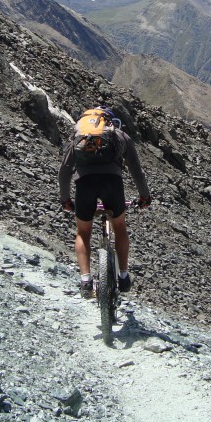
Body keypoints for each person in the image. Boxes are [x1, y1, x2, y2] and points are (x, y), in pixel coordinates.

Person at [58, 106, 152, 298]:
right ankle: (124, 276)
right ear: (109, 121)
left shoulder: (79, 137)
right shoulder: (118, 135)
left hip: (84, 185)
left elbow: (64, 171)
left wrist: (65, 199)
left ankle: (85, 280)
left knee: (83, 232)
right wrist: (144, 196)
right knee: (119, 226)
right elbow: (136, 169)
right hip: (112, 183)